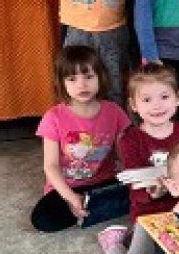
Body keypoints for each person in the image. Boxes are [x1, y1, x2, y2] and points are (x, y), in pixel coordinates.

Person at [99, 64, 179, 254]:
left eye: (164, 96)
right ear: (134, 105)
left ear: (178, 98)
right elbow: (135, 186)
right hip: (150, 214)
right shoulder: (130, 139)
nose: (157, 105)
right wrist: (154, 193)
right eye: (147, 100)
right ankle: (112, 242)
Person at [31, 45, 131, 233]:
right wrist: (70, 197)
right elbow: (50, 166)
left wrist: (136, 178)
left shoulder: (114, 111)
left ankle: (92, 208)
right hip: (68, 186)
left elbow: (123, 154)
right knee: (43, 219)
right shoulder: (53, 117)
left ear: (100, 77)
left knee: (144, 194)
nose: (82, 85)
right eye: (72, 79)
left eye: (88, 77)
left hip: (104, 183)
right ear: (62, 83)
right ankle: (88, 207)